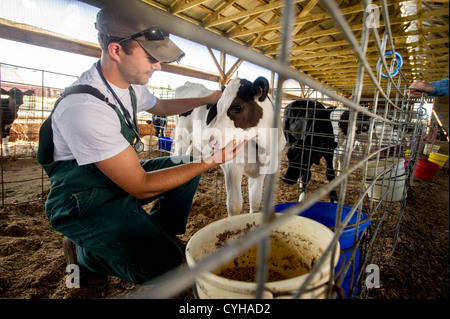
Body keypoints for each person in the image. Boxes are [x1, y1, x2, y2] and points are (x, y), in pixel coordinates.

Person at [37, 8, 246, 287]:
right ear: (116, 50)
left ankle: (160, 234)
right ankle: (86, 257)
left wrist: (206, 98)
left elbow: (160, 106)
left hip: (114, 176)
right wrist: (211, 160)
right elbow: (140, 186)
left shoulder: (129, 84)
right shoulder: (85, 107)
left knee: (184, 163)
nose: (158, 66)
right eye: (150, 57)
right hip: (82, 198)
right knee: (168, 268)